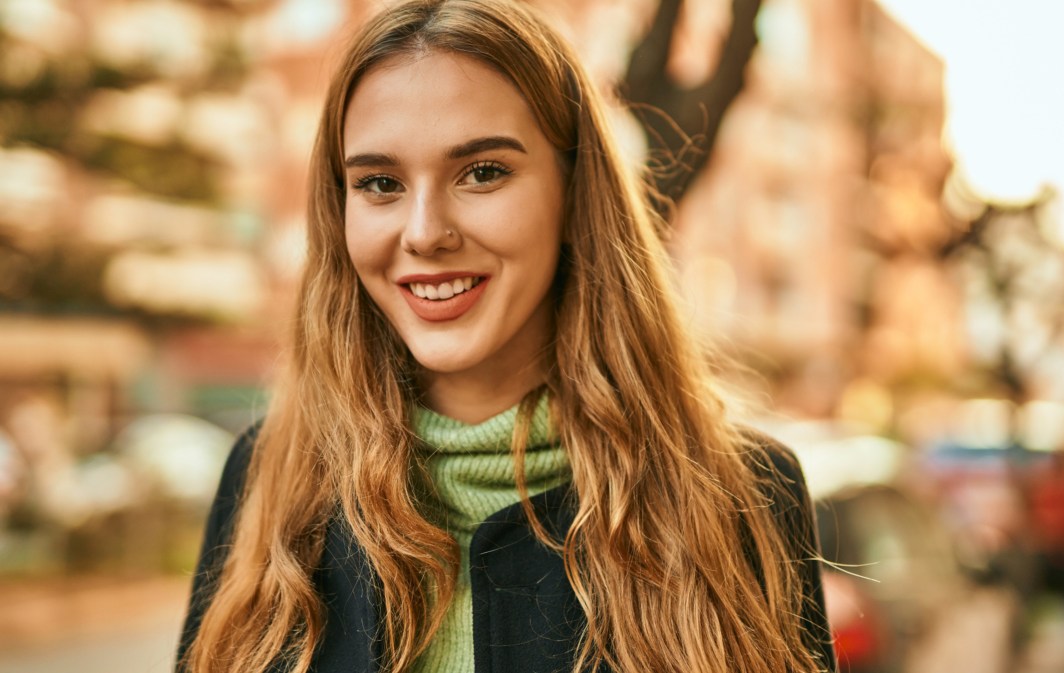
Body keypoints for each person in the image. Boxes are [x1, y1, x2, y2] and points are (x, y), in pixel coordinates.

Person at [176, 1, 835, 671]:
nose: (425, 230)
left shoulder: (745, 494)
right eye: (380, 183)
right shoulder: (268, 477)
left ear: (573, 192)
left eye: (483, 171)